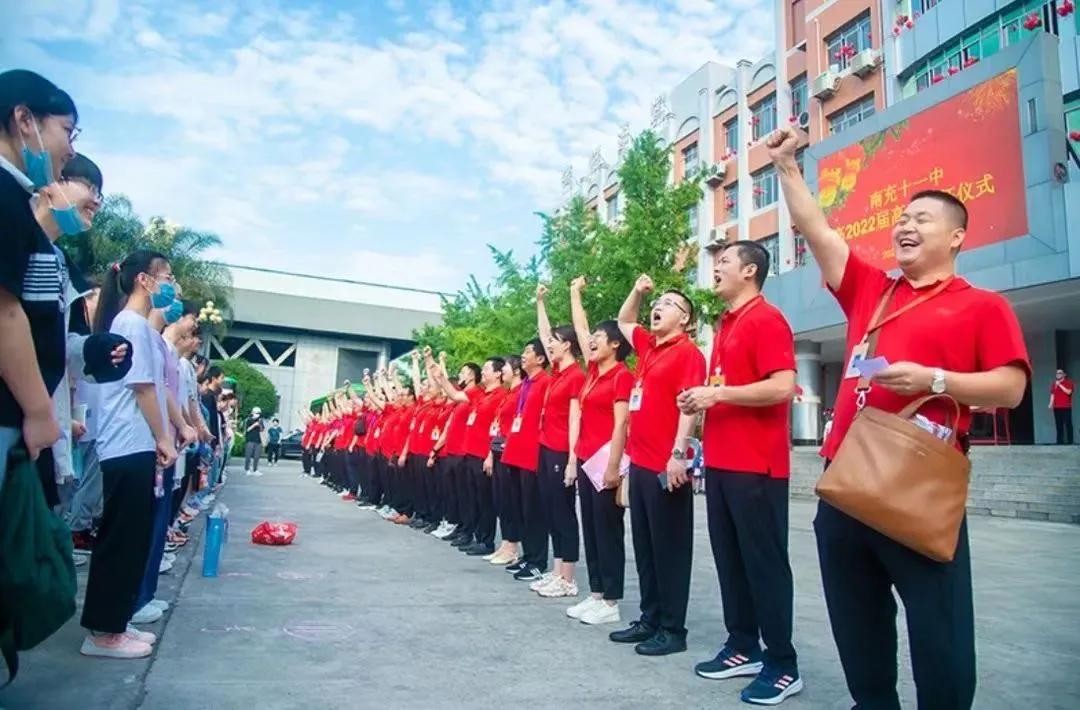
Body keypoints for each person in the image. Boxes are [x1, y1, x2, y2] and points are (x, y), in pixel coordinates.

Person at [769, 124, 1030, 709]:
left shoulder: (983, 306)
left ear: (956, 236)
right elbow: (818, 231)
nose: (905, 226)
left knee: (941, 633)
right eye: (903, 218)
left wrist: (935, 380)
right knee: (857, 623)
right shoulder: (873, 289)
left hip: (921, 488)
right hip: (847, 484)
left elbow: (1011, 388)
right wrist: (786, 165)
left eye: (922, 219)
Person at [678, 241, 802, 705]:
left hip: (757, 467)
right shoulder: (727, 324)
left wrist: (718, 395)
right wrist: (702, 398)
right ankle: (742, 645)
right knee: (731, 561)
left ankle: (783, 664)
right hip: (722, 464)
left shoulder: (766, 319)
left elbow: (782, 386)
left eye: (724, 261)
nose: (716, 268)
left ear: (750, 270)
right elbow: (725, 389)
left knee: (764, 566)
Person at [81, 250, 179, 659]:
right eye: (167, 276)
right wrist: (164, 437)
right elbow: (143, 388)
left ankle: (116, 622)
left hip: (136, 444)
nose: (172, 284)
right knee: (120, 540)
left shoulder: (138, 326)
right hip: (128, 443)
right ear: (145, 280)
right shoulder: (131, 325)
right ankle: (103, 632)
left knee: (132, 538)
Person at [609, 274, 705, 657]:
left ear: (685, 318)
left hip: (667, 466)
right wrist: (637, 291)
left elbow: (689, 407)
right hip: (641, 463)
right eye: (658, 303)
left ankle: (672, 629)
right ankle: (649, 619)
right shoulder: (649, 348)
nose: (658, 307)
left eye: (668, 304)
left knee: (670, 548)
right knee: (646, 546)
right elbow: (624, 321)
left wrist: (678, 454)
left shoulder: (688, 353)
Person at [0, 69, 78, 490]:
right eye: (67, 131)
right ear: (25, 119)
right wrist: (38, 410)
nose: (70, 149)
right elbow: (5, 311)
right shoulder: (4, 192)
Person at [564, 276, 633, 625]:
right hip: (586, 461)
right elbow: (580, 328)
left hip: (606, 463)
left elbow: (622, 424)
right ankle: (595, 594)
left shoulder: (621, 376)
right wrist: (574, 293)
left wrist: (614, 466)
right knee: (590, 529)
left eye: (599, 338)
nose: (591, 341)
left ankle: (611, 600)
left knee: (608, 532)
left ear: (616, 344)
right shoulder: (593, 372)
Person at [533, 285, 586, 598]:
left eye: (554, 341)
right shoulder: (557, 372)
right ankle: (556, 573)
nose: (548, 345)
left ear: (567, 345)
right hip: (545, 448)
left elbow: (575, 420)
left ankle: (568, 578)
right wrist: (540, 302)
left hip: (561, 452)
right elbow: (543, 334)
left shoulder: (577, 376)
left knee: (564, 513)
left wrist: (571, 460)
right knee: (551, 510)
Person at [500, 339, 552, 582]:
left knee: (534, 511)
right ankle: (528, 555)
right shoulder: (527, 384)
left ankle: (538, 561)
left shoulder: (545, 382)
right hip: (517, 453)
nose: (523, 355)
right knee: (521, 507)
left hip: (532, 454)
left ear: (540, 359)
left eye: (528, 352)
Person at [485, 355, 524, 564]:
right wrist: (490, 454)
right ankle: (506, 544)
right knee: (501, 500)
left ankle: (512, 547)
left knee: (510, 501)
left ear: (516, 370)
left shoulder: (521, 392)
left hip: (511, 452)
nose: (503, 371)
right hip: (498, 450)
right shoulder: (509, 394)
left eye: (506, 367)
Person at [1050, 369, 1074, 445]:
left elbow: (1068, 392)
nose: (1058, 374)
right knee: (1058, 424)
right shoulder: (1054, 384)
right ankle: (1059, 442)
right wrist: (1051, 403)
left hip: (1066, 407)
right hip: (1057, 407)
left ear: (1064, 375)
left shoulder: (1069, 383)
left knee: (1068, 424)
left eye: (1060, 373)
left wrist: (1060, 385)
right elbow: (1052, 394)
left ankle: (1070, 441)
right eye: (1057, 373)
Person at [243, 406, 265, 476]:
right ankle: (247, 469)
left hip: (258, 440)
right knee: (248, 456)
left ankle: (255, 470)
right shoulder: (248, 420)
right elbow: (247, 430)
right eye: (256, 413)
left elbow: (262, 430)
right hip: (250, 440)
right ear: (253, 412)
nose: (258, 414)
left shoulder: (260, 420)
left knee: (257, 456)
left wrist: (260, 424)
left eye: (259, 413)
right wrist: (254, 425)